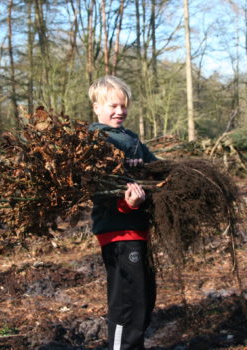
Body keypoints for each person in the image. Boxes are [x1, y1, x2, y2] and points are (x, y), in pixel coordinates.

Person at [88, 75, 157, 350]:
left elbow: (156, 168)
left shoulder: (131, 139)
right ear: (97, 107)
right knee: (127, 304)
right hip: (118, 232)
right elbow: (98, 189)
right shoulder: (96, 142)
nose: (120, 111)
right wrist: (126, 204)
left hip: (138, 230)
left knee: (143, 300)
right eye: (113, 106)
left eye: (124, 106)